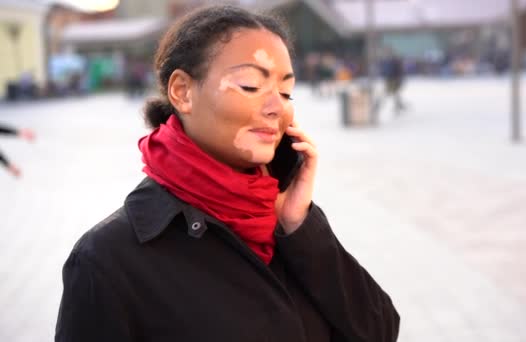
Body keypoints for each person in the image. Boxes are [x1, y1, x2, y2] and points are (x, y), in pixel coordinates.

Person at [55, 5, 400, 342]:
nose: (277, 108)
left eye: (286, 91)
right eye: (250, 86)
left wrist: (302, 226)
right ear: (182, 91)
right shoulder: (107, 261)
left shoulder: (283, 220)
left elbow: (381, 330)